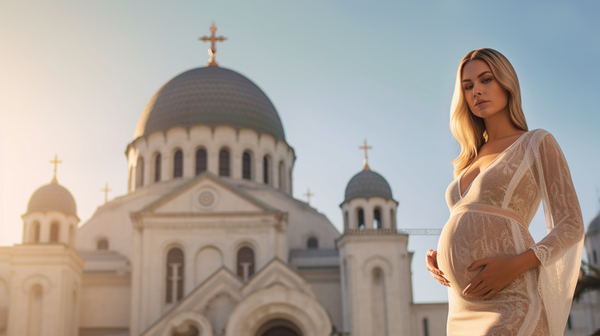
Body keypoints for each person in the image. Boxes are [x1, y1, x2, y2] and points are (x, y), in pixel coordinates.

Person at [425, 48, 585, 335]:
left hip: (513, 297)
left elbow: (571, 225)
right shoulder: (466, 162)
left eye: (486, 80)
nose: (477, 91)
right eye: (468, 86)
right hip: (462, 309)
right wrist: (443, 257)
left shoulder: (536, 142)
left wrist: (515, 265)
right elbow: (469, 222)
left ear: (506, 83)